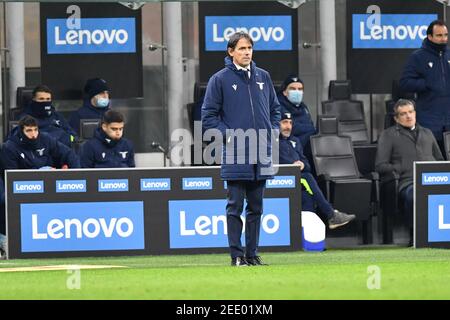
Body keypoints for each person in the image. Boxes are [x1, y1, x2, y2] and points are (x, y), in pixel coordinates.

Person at [202, 31, 281, 267]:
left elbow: (275, 109)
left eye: (249, 48)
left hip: (262, 152)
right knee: (235, 206)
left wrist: (272, 131)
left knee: (256, 207)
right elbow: (208, 118)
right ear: (231, 52)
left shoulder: (263, 77)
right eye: (242, 49)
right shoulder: (220, 79)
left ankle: (252, 254)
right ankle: (236, 256)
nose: (247, 52)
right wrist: (232, 137)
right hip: (236, 152)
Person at [278, 112, 355, 229]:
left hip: (297, 178)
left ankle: (309, 239)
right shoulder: (272, 141)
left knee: (307, 195)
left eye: (290, 123)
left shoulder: (295, 141)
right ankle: (331, 215)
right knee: (308, 178)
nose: (288, 126)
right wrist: (292, 165)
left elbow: (307, 164)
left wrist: (302, 165)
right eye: (284, 123)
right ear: (276, 124)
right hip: (282, 178)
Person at [375, 99, 443, 230]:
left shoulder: (427, 133)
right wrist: (401, 167)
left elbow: (440, 161)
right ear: (396, 118)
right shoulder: (388, 135)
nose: (408, 116)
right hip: (407, 183)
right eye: (403, 113)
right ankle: (415, 235)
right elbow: (380, 166)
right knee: (415, 196)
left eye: (411, 112)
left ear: (415, 113)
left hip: (433, 181)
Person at [399, 20, 450, 153]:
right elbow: (405, 82)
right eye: (439, 35)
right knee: (432, 163)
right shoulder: (418, 57)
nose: (443, 39)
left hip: (448, 118)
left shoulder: (449, 54)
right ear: (430, 37)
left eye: (445, 35)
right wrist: (427, 83)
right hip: (429, 120)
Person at [2, 115, 81, 170]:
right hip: (24, 186)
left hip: (49, 180)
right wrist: (40, 172)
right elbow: (11, 175)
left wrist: (73, 174)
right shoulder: (9, 147)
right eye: (29, 131)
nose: (33, 135)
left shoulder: (45, 139)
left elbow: (68, 154)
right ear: (21, 132)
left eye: (35, 130)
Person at [277, 75, 317, 166]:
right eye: (293, 88)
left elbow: (310, 123)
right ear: (284, 92)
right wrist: (311, 129)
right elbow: (291, 128)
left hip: (305, 144)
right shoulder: (278, 106)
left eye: (300, 89)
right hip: (287, 144)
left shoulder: (303, 107)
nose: (297, 92)